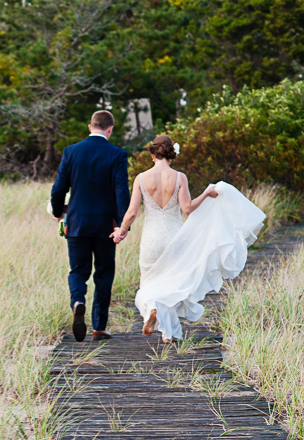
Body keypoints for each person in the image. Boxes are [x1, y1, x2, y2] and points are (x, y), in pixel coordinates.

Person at [112, 135, 266, 342]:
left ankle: (153, 310)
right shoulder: (179, 177)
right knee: (173, 283)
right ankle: (169, 333)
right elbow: (187, 209)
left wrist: (122, 230)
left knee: (149, 283)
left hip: (151, 239)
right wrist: (205, 194)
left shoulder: (141, 178)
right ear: (171, 154)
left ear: (152, 154)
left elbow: (131, 213)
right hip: (175, 237)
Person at [52, 110, 130, 342]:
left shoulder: (71, 152)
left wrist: (58, 212)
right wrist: (122, 225)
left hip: (77, 223)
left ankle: (78, 301)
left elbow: (58, 189)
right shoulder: (117, 154)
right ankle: (99, 327)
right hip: (107, 225)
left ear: (90, 126)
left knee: (78, 271)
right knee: (104, 273)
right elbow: (121, 193)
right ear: (110, 129)